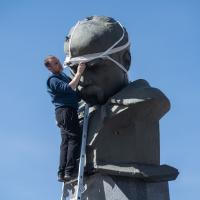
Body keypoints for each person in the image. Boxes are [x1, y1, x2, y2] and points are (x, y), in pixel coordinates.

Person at [44, 55, 86, 182]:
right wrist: (79, 73)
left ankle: (62, 172)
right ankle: (70, 171)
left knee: (66, 142)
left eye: (58, 62)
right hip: (65, 111)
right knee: (74, 137)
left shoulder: (63, 77)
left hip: (66, 111)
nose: (59, 64)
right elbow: (69, 88)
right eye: (55, 63)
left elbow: (75, 92)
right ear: (49, 68)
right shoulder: (53, 79)